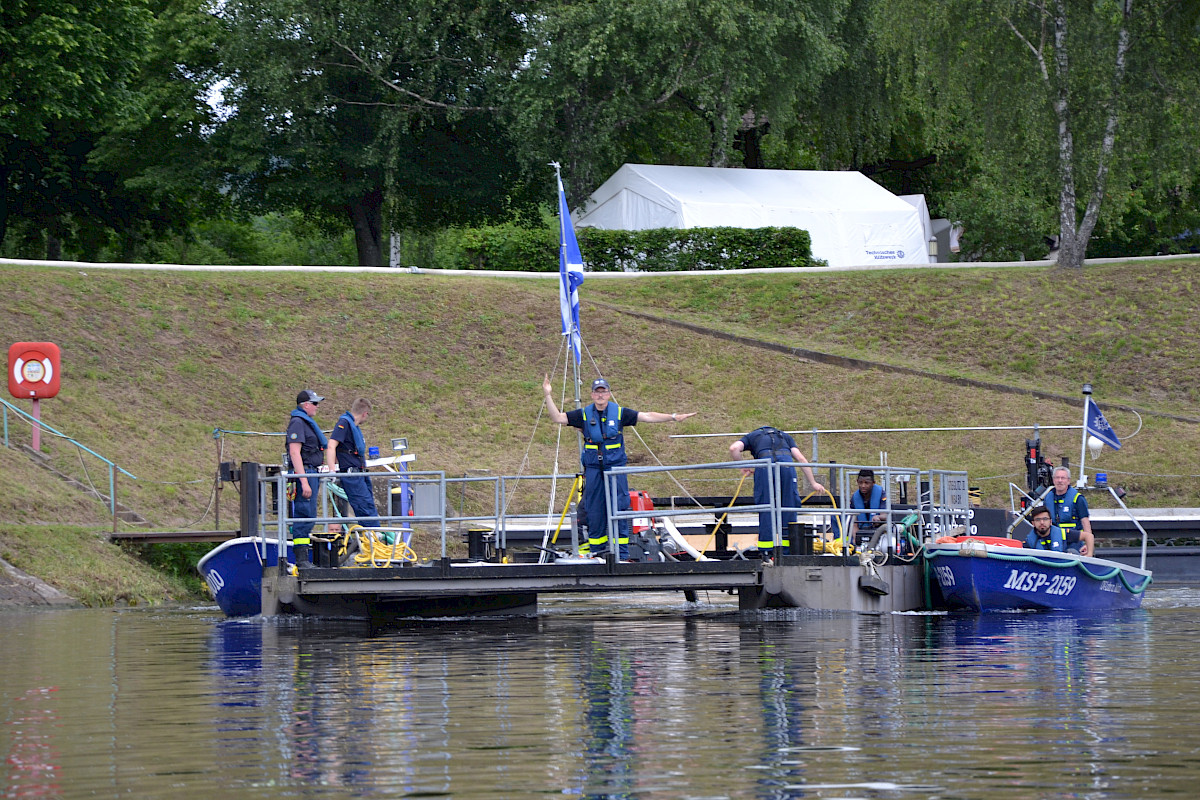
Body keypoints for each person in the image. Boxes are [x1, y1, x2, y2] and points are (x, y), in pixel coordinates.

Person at [543, 375, 696, 560]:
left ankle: (621, 554)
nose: (600, 396)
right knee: (594, 510)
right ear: (592, 395)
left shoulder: (621, 413)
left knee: (620, 508)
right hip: (593, 470)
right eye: (597, 392)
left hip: (616, 469)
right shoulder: (583, 415)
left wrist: (673, 417)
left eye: (604, 392)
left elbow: (646, 416)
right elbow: (557, 418)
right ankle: (597, 552)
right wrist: (548, 395)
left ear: (609, 394)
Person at [729, 427, 826, 561]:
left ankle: (767, 553)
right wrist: (813, 483)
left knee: (766, 508)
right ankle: (788, 552)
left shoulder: (752, 436)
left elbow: (734, 449)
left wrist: (742, 465)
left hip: (764, 467)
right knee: (789, 508)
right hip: (786, 467)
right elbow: (801, 459)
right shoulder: (785, 436)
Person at [324, 397, 379, 531]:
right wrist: (332, 470)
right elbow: (331, 446)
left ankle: (374, 538)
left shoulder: (353, 426)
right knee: (364, 508)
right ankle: (374, 539)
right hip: (352, 474)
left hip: (359, 472)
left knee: (369, 506)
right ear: (365, 413)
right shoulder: (344, 423)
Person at [286, 389, 327, 564]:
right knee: (304, 514)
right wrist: (303, 481)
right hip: (305, 473)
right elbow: (295, 453)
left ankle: (303, 558)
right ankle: (301, 560)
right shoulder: (297, 423)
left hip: (312, 472)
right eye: (315, 403)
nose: (317, 407)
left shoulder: (305, 422)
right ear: (306, 405)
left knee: (309, 514)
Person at [1045, 465, 1095, 556]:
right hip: (1054, 539)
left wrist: (1088, 544)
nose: (1060, 481)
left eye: (1063, 478)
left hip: (1074, 540)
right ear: (1053, 480)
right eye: (1057, 478)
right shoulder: (1048, 498)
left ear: (1068, 481)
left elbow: (1085, 521)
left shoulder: (1078, 499)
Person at [848, 469, 888, 545]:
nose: (863, 486)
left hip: (878, 531)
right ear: (857, 482)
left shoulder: (881, 494)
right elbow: (854, 522)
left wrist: (879, 517)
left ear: (873, 483)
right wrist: (856, 538)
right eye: (860, 483)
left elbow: (886, 515)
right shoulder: (854, 497)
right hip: (861, 531)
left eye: (867, 483)